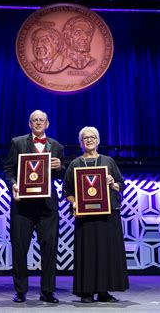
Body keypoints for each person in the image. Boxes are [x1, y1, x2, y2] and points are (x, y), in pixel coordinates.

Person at [3, 110, 65, 303]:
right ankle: (20, 290)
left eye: (42, 120)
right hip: (23, 205)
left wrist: (59, 167)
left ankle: (47, 291)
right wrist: (13, 184)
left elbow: (62, 174)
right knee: (20, 247)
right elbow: (8, 169)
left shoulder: (57, 146)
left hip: (47, 205)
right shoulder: (17, 142)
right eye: (34, 120)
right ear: (30, 124)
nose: (38, 123)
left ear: (47, 124)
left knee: (50, 248)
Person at [63, 126, 129, 303]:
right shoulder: (75, 164)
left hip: (108, 214)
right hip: (85, 216)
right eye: (85, 138)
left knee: (106, 253)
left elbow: (121, 185)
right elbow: (67, 191)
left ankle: (103, 291)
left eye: (92, 137)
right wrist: (75, 202)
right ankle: (86, 291)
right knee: (87, 253)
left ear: (98, 141)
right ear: (81, 143)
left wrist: (112, 182)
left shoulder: (108, 161)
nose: (89, 140)